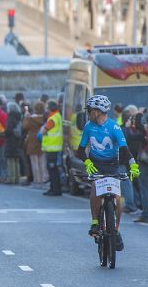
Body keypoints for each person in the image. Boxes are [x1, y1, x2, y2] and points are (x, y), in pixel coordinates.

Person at [76, 95, 139, 251]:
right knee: (95, 190)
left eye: (90, 110)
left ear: (97, 111)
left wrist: (133, 166)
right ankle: (95, 222)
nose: (88, 112)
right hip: (95, 164)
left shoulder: (114, 127)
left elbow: (125, 149)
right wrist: (87, 162)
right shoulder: (88, 126)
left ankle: (116, 229)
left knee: (117, 198)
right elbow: (80, 150)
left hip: (112, 165)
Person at [39, 101, 63, 196]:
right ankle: (55, 189)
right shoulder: (58, 116)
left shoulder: (52, 119)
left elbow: (43, 131)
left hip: (52, 148)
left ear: (49, 108)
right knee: (54, 170)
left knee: (52, 170)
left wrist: (42, 130)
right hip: (55, 147)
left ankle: (54, 189)